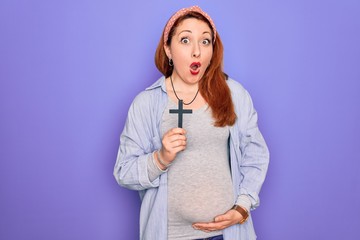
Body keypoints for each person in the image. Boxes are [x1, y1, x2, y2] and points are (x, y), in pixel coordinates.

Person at [114, 5, 269, 240]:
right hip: (170, 235)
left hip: (227, 234)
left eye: (205, 42)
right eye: (185, 40)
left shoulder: (234, 94)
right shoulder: (146, 103)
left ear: (213, 51)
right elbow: (123, 171)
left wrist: (242, 207)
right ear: (168, 49)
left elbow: (255, 155)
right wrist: (160, 159)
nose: (196, 51)